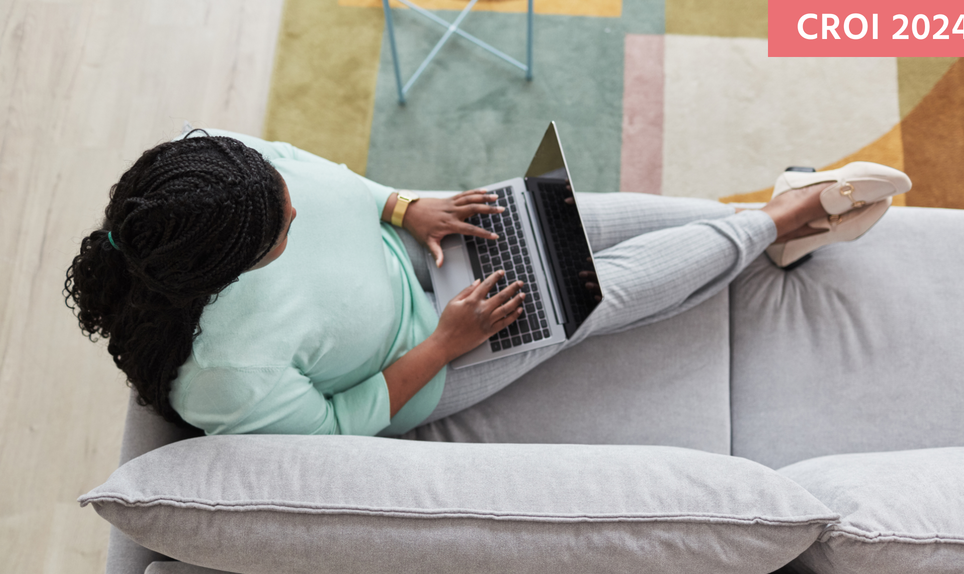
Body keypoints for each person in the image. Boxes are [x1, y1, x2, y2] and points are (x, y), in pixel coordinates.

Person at [64, 129, 910, 436]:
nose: (297, 214)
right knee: (597, 292)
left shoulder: (222, 167)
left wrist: (404, 206)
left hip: (430, 248)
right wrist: (446, 341)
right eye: (285, 230)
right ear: (234, 267)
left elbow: (308, 172)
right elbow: (331, 425)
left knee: (581, 214)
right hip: (432, 361)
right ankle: (783, 220)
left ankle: (769, 219)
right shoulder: (220, 376)